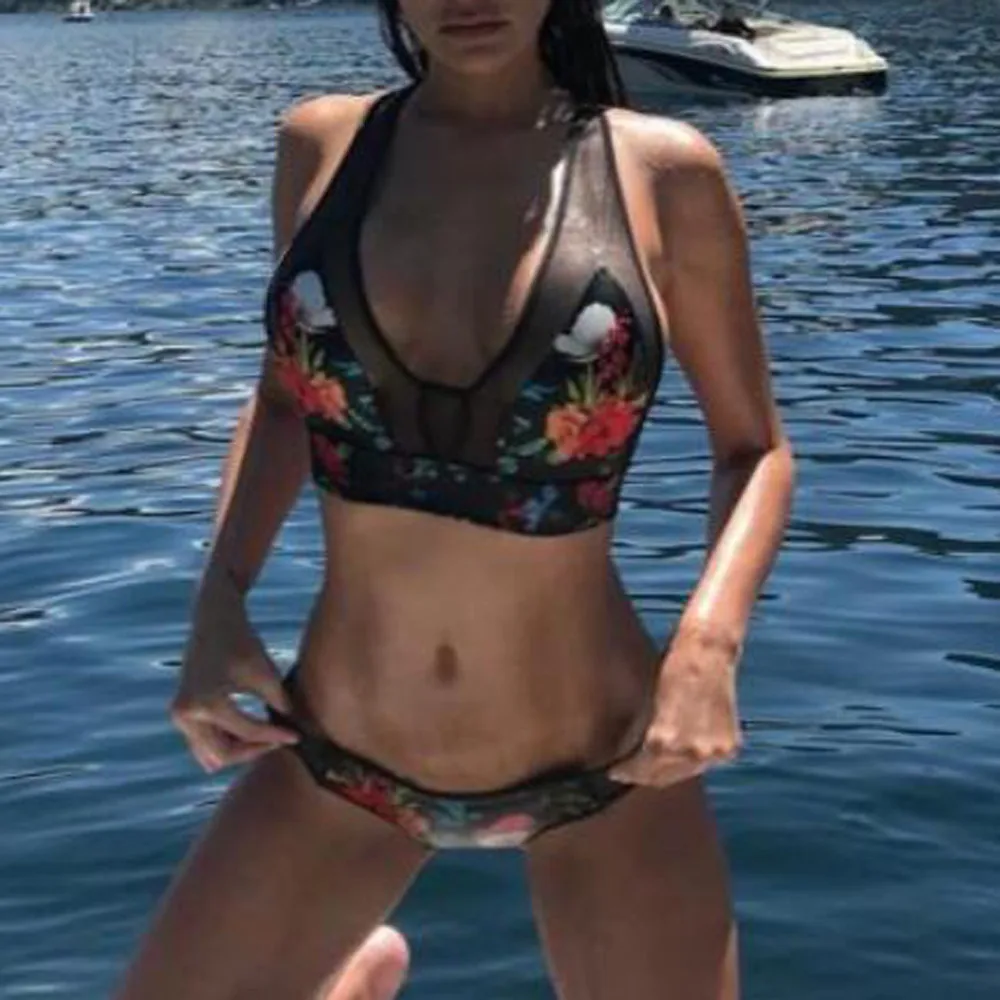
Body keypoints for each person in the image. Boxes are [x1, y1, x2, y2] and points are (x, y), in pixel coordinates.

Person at [114, 0, 795, 997]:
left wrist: (708, 648)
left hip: (607, 764)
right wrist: (218, 599)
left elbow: (755, 449)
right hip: (340, 754)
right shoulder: (322, 147)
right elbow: (284, 401)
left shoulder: (660, 172)